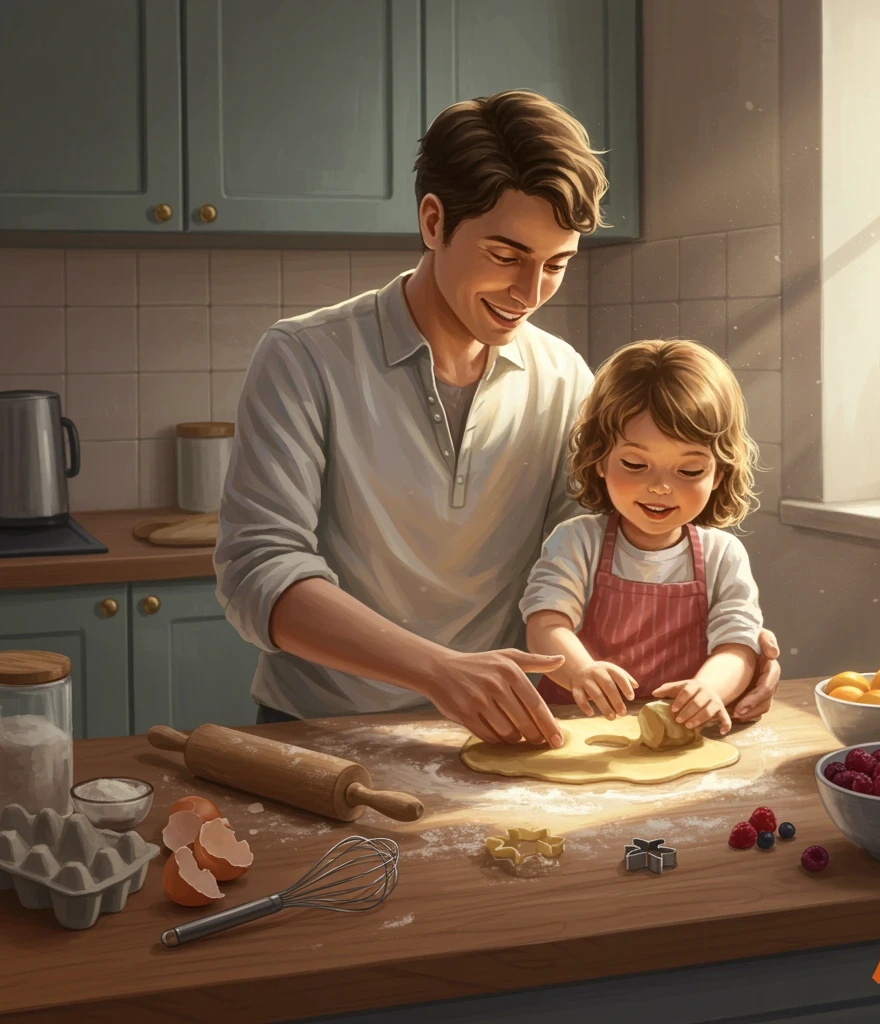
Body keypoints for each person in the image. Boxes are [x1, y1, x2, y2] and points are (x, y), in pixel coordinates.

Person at [214, 90, 781, 747]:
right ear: (433, 221)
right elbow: (260, 572)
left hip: (499, 733)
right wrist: (440, 672)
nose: (530, 292)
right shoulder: (304, 358)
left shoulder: (565, 378)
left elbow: (606, 553)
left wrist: (742, 650)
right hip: (319, 731)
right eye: (507, 256)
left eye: (557, 265)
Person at [522, 339, 764, 736]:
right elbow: (546, 624)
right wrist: (581, 670)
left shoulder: (723, 555)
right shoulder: (577, 542)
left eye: (689, 471)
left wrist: (709, 689)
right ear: (599, 457)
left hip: (681, 734)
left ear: (719, 473)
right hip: (577, 730)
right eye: (635, 464)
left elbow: (738, 645)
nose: (660, 487)